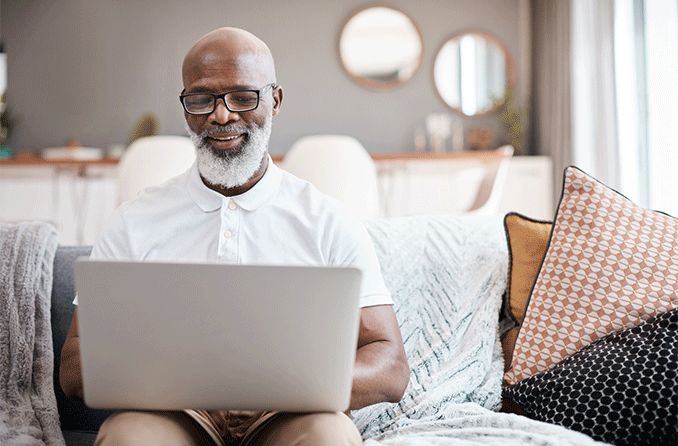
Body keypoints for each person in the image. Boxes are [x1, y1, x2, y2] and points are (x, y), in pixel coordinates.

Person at [59, 27, 409, 446]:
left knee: (329, 436)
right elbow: (74, 364)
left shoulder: (328, 221)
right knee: (127, 438)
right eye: (202, 99)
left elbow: (390, 364)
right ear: (185, 107)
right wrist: (168, 374)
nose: (221, 116)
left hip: (290, 413)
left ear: (274, 101)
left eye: (243, 97)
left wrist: (292, 383)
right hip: (173, 413)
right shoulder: (134, 221)